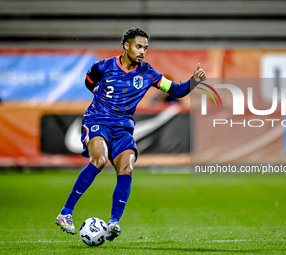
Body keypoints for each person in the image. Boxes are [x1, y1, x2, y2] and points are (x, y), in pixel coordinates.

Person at [55, 27, 206, 241]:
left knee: (127, 167)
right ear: (126, 45)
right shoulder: (104, 66)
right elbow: (90, 82)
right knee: (98, 160)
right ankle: (66, 213)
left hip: (123, 127)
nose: (143, 51)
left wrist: (194, 81)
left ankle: (113, 223)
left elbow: (177, 90)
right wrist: (100, 98)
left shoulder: (148, 73)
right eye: (138, 46)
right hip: (98, 121)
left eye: (145, 47)